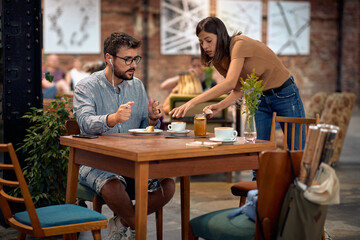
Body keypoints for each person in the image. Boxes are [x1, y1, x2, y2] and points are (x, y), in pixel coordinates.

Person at [73, 32, 175, 240]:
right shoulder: (86, 87)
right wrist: (113, 118)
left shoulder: (137, 86)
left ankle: (122, 222)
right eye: (127, 59)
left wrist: (152, 119)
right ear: (109, 59)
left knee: (168, 185)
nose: (133, 65)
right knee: (113, 185)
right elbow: (84, 123)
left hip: (131, 161)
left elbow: (142, 128)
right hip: (95, 161)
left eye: (135, 59)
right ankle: (139, 230)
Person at [170, 16, 306, 151]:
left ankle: (299, 174)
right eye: (201, 42)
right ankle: (258, 174)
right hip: (259, 98)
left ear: (221, 35)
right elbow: (238, 87)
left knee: (297, 148)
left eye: (208, 40)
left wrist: (191, 102)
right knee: (260, 149)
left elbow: (229, 83)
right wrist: (221, 105)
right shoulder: (218, 60)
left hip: (285, 94)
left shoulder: (239, 44)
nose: (205, 46)